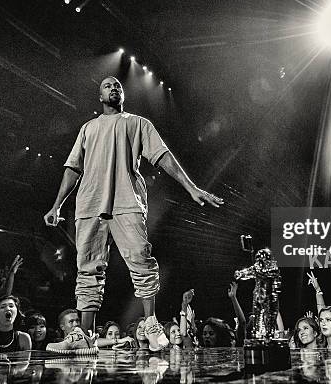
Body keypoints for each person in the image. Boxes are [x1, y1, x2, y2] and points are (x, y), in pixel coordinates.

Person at [44, 76, 223, 352]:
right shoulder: (88, 128)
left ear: (123, 93)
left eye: (117, 85)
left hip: (127, 201)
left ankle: (151, 322)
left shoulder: (138, 123)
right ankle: (85, 335)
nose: (113, 88)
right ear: (99, 95)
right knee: (88, 267)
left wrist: (191, 187)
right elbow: (72, 168)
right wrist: (56, 205)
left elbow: (163, 156)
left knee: (140, 257)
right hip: (90, 203)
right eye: (107, 85)